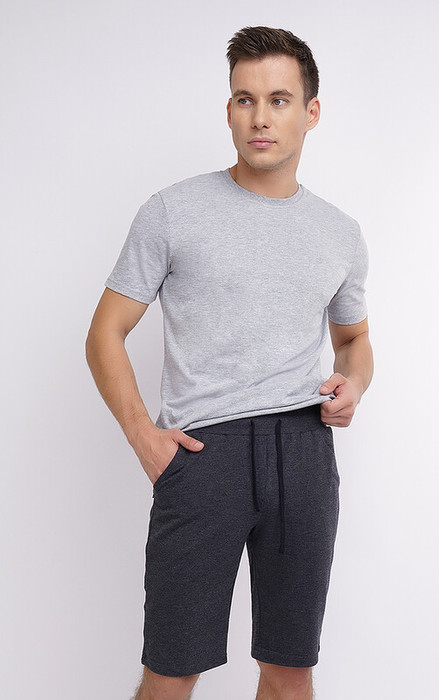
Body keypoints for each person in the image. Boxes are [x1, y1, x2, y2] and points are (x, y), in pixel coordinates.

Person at [86, 24, 374, 700]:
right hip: (202, 455)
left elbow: (354, 339)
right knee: (171, 670)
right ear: (229, 109)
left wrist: (354, 382)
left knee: (290, 670)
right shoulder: (172, 212)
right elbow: (104, 333)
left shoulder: (340, 233)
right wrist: (144, 437)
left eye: (278, 99)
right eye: (245, 99)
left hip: (304, 452)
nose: (259, 117)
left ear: (311, 112)